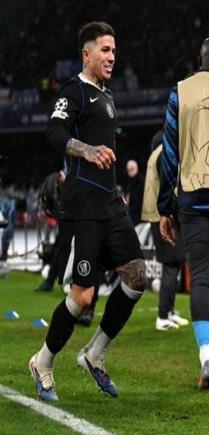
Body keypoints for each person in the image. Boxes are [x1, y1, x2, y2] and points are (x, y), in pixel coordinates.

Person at [29, 22, 146, 402]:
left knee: (136, 276)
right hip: (83, 209)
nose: (112, 57)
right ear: (87, 54)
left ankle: (94, 353)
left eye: (114, 50)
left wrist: (115, 187)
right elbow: (53, 131)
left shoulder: (107, 96)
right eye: (105, 50)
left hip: (110, 203)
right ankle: (43, 362)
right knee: (82, 297)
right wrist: (86, 150)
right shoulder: (74, 91)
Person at [158, 37, 209, 389]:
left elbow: (169, 153)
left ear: (200, 58)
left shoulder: (180, 91)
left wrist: (165, 207)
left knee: (201, 277)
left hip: (192, 199)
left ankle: (206, 356)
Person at [142, 130, 188, 330]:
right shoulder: (164, 154)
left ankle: (169, 311)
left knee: (174, 263)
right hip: (163, 216)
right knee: (171, 264)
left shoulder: (155, 154)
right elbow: (168, 187)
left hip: (159, 215)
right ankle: (162, 316)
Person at [125, 159, 145, 226]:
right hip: (133, 213)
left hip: (140, 214)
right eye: (129, 170)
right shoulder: (130, 181)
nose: (130, 172)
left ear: (136, 168)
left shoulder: (141, 181)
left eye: (132, 169)